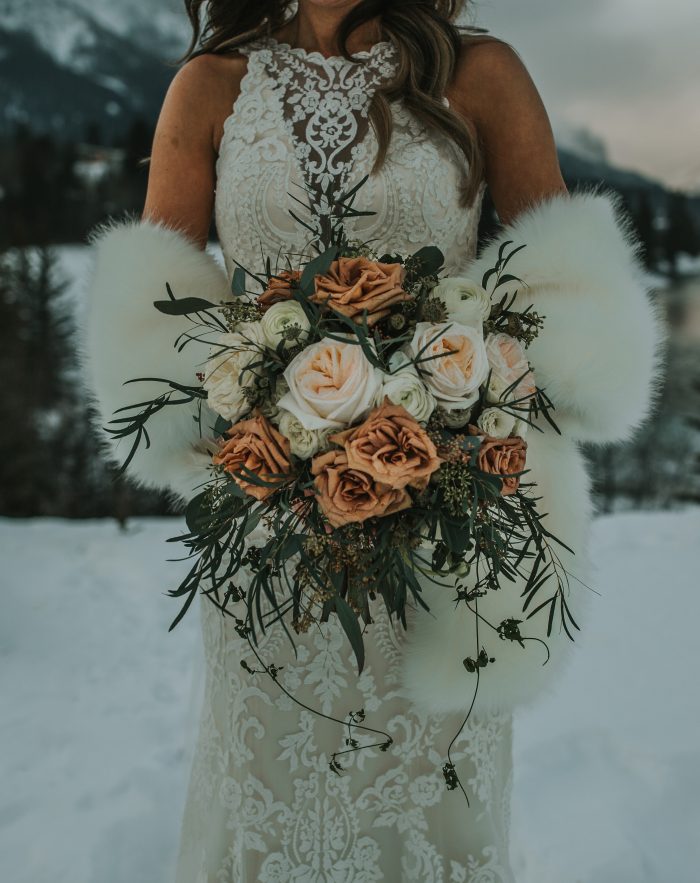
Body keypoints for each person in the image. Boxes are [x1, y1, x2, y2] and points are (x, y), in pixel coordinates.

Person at [80, 1, 663, 880]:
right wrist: (253, 423)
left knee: (432, 812)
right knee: (270, 803)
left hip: (442, 540)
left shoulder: (481, 74)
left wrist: (469, 401)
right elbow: (152, 325)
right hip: (268, 544)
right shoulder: (209, 86)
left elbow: (564, 298)